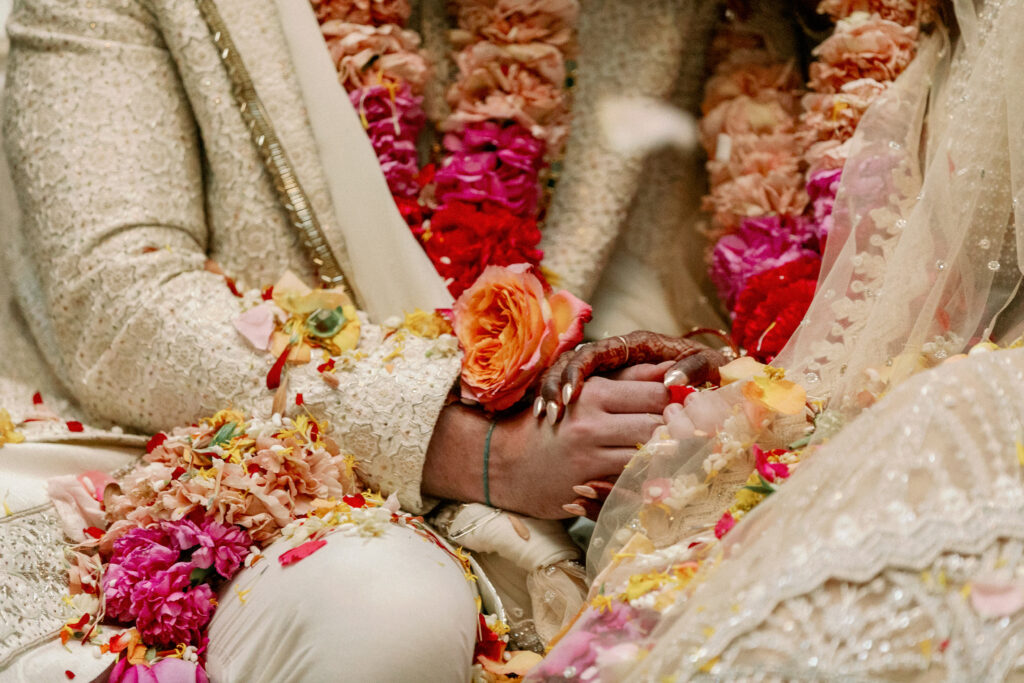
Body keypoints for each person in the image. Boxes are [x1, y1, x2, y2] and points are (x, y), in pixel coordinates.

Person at [0, 0, 727, 680]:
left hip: (569, 500)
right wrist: (476, 447)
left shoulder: (652, 14)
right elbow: (117, 308)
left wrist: (654, 397)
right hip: (187, 463)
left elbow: (691, 271)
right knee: (386, 603)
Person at [534, 0, 1024, 679]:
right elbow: (858, 325)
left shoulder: (981, 36)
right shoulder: (740, 31)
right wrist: (755, 381)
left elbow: (952, 326)